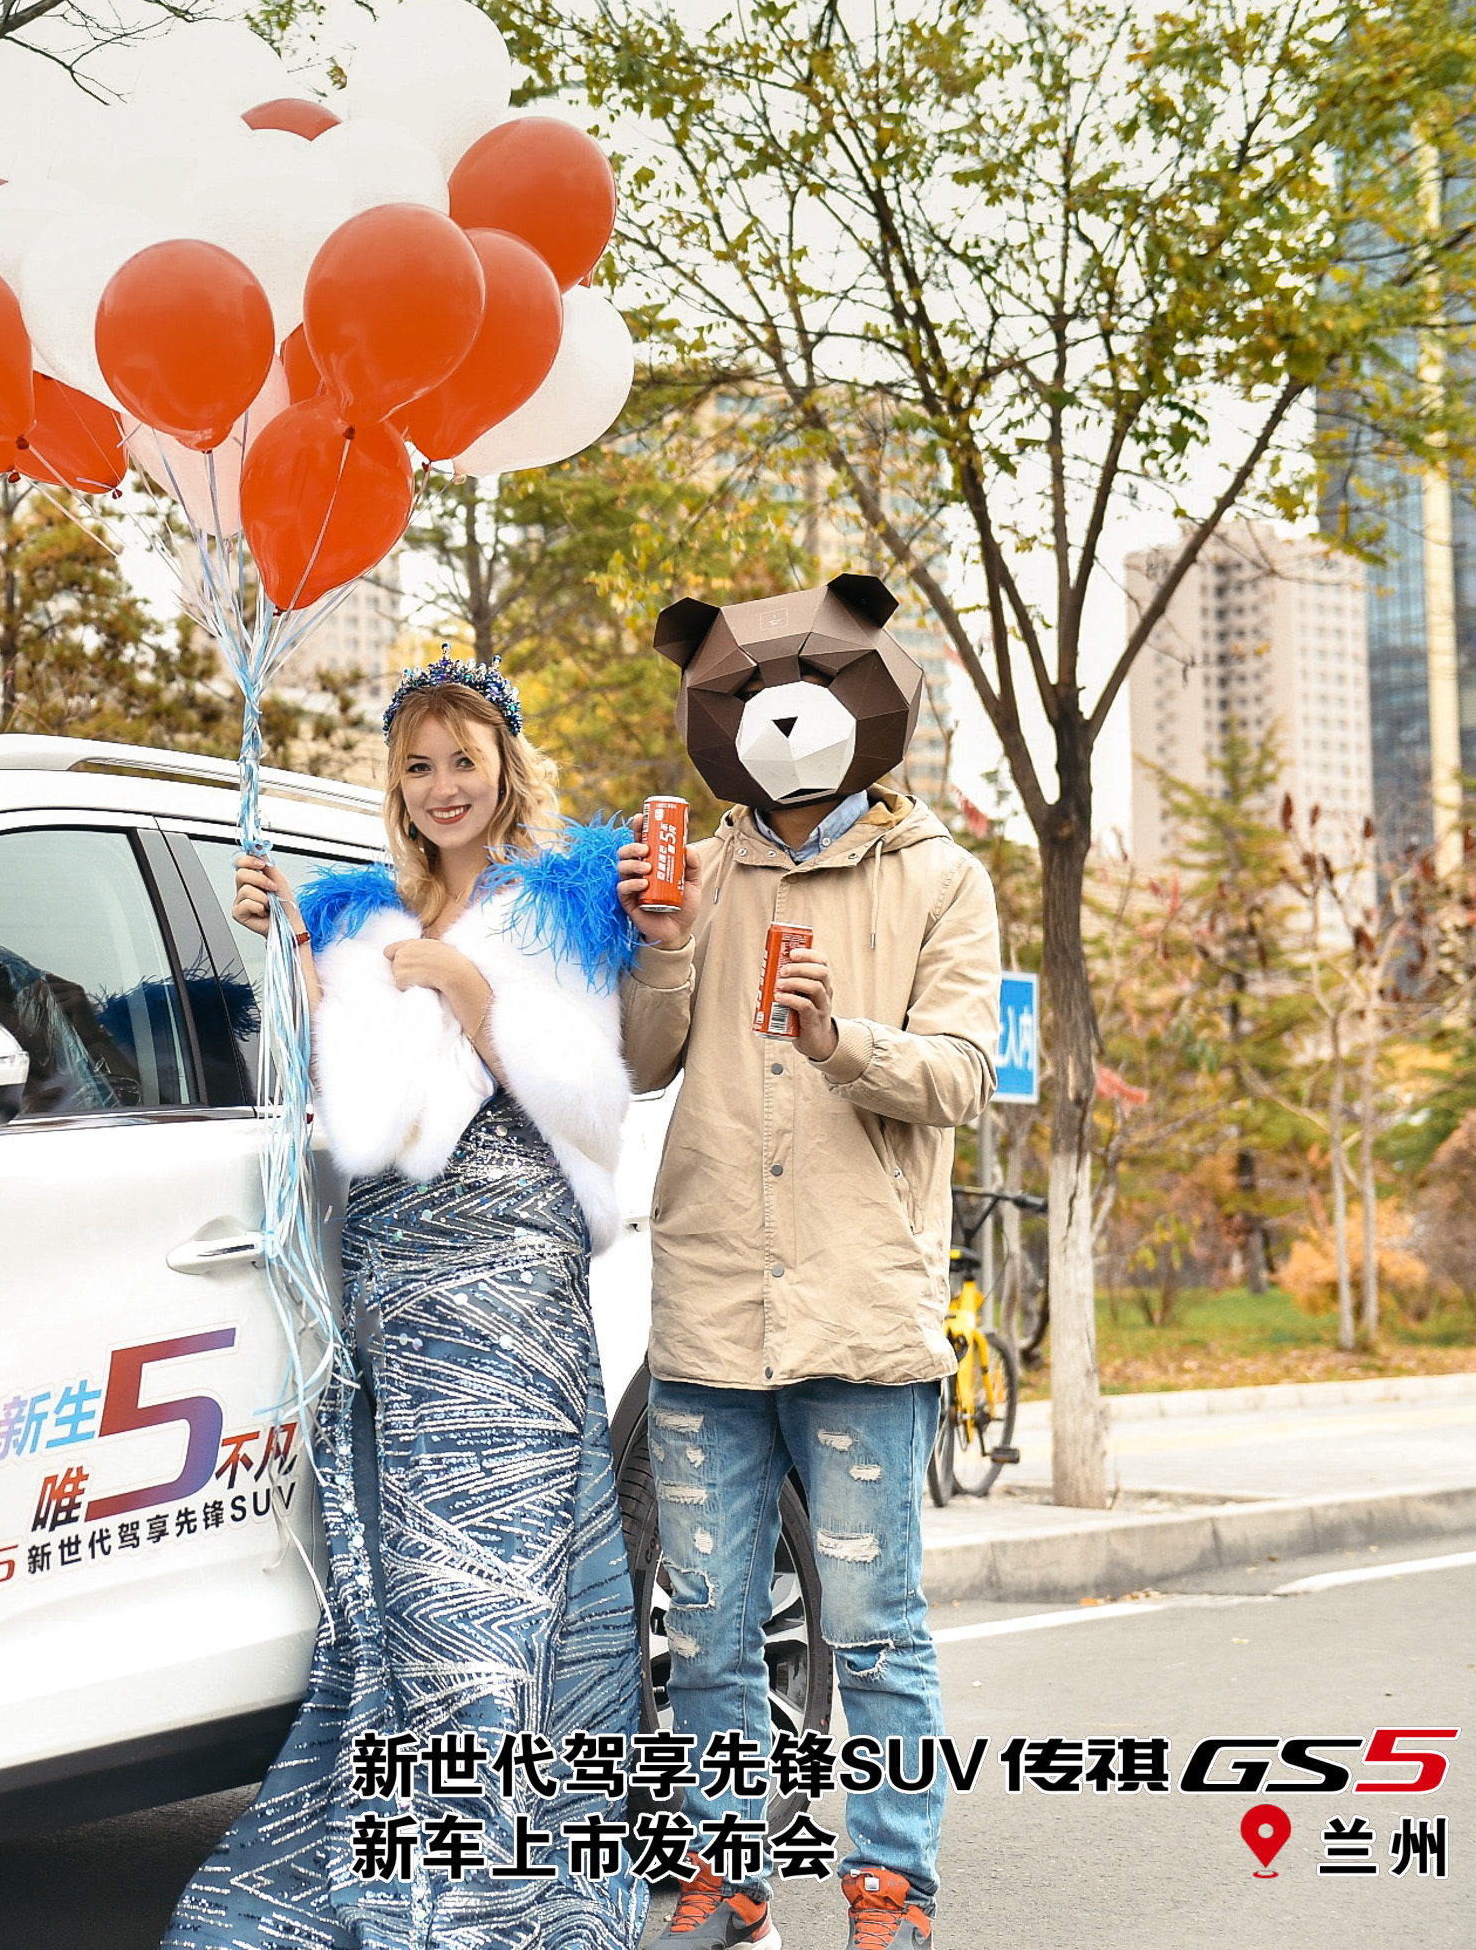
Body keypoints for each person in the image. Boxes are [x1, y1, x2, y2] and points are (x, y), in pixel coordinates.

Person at [164, 657, 646, 1950]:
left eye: (463, 761)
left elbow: (600, 1110)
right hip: (396, 1274)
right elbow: (345, 1111)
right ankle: (437, 1874)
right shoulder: (362, 915)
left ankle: (506, 1897)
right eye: (418, 766)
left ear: (505, 768)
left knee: (505, 1593)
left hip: (514, 1270)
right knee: (424, 1596)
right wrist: (295, 954)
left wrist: (478, 1000)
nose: (443, 787)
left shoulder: (565, 905)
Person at [614, 578, 1000, 1950]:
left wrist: (844, 1044)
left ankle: (892, 1890)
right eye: (751, 693)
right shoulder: (697, 872)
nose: (784, 716)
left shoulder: (941, 878)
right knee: (707, 1630)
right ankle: (724, 1881)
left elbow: (962, 1076)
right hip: (710, 1311)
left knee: (876, 1627)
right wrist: (662, 951)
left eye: (816, 686)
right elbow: (641, 1060)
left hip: (858, 1314)